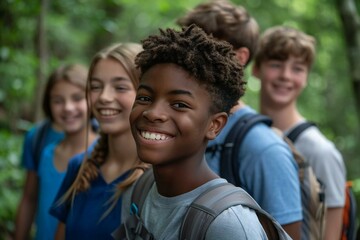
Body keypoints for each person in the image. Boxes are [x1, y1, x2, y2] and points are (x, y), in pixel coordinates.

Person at [116, 24, 285, 240]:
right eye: (145, 98)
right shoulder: (138, 191)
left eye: (179, 104)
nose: (153, 113)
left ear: (214, 125)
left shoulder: (228, 224)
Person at [177, 0, 302, 239]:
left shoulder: (262, 148)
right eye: (187, 45)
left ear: (240, 56)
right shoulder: (185, 127)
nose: (189, 57)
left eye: (204, 47)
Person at [252, 25, 347, 240]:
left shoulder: (321, 152)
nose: (285, 75)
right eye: (276, 65)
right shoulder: (248, 138)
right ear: (256, 69)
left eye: (297, 69)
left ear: (305, 77)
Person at [49, 43, 149, 240]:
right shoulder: (79, 167)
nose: (104, 97)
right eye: (95, 87)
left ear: (146, 95)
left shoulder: (159, 181)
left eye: (120, 87)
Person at [14, 64, 98, 240]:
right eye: (58, 100)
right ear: (48, 104)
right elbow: (29, 198)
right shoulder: (46, 153)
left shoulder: (104, 153)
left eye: (77, 98)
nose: (67, 107)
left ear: (91, 99)